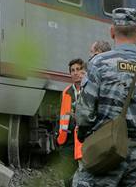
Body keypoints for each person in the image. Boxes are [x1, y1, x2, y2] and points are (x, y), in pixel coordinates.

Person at [73, 7, 136, 187]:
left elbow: (85, 112)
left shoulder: (99, 64)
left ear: (111, 32)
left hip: (104, 151)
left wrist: (87, 137)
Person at [56, 58, 86, 187]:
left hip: (84, 140)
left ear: (84, 72)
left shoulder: (89, 90)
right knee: (67, 177)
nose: (75, 73)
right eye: (72, 70)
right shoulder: (66, 92)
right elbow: (61, 116)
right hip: (67, 140)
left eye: (78, 69)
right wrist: (58, 136)